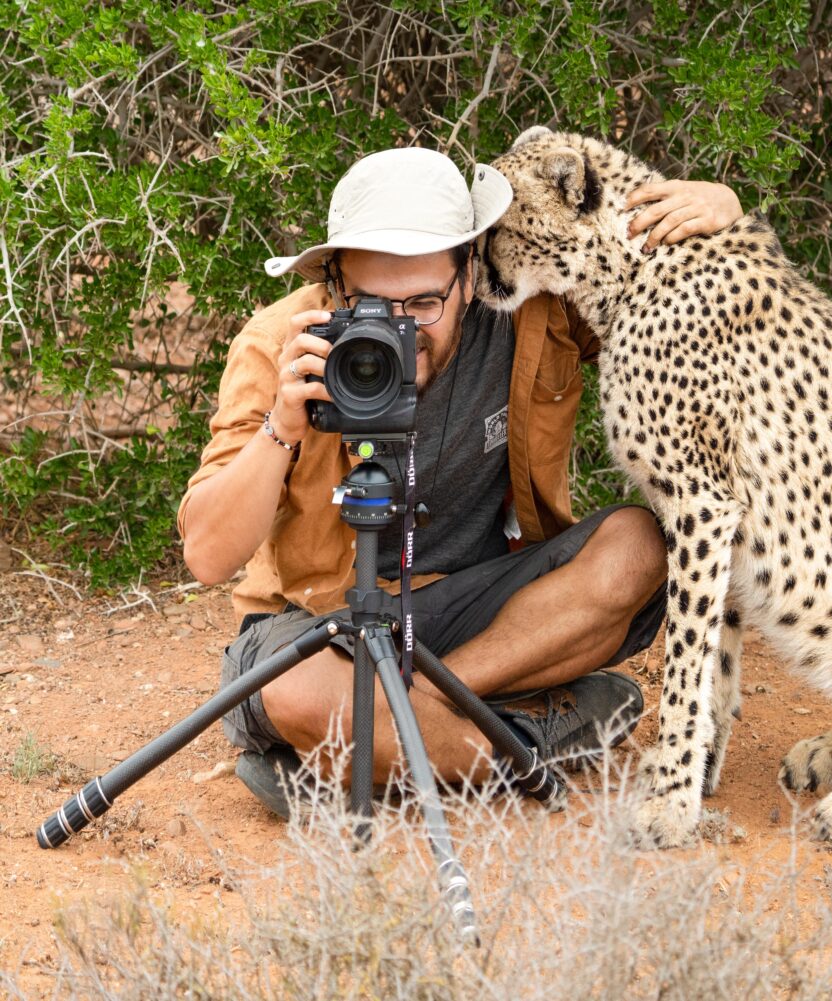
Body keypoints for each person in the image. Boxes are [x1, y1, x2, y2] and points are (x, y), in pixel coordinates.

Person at [177, 145, 742, 817]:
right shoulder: (282, 342)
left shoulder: (528, 314)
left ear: (470, 274)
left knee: (641, 546)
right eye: (370, 304)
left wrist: (721, 216)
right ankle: (529, 737)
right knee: (294, 690)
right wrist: (281, 425)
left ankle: (380, 742)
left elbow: (664, 296)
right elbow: (208, 554)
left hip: (478, 612)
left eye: (424, 302)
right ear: (332, 282)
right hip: (326, 621)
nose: (399, 328)